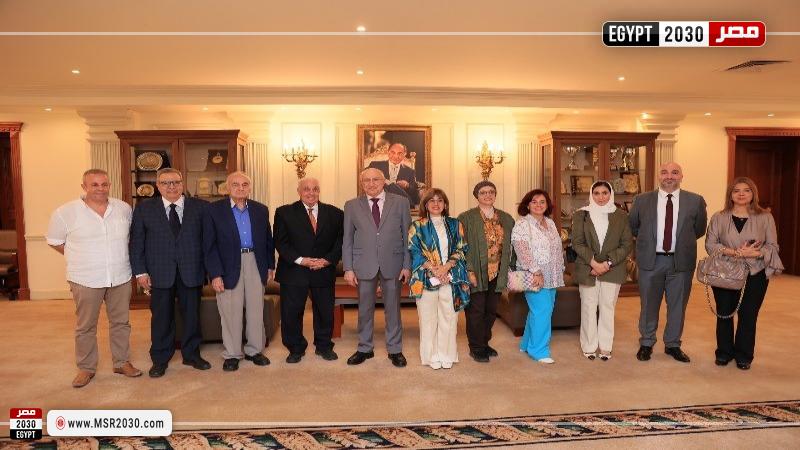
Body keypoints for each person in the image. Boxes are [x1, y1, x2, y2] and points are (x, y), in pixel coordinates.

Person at [46, 169, 142, 388]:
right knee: (86, 326)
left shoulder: (123, 209)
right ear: (84, 187)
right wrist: (78, 256)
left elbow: (130, 238)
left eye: (104, 184)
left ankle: (121, 362)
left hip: (120, 276)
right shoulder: (65, 212)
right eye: (94, 184)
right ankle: (86, 367)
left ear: (109, 185)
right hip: (85, 278)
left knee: (121, 323)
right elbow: (54, 241)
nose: (100, 189)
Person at [129, 168, 211, 378]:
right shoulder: (144, 209)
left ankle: (191, 355)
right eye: (165, 183)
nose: (171, 186)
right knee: (161, 318)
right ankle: (160, 358)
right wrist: (140, 272)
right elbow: (137, 243)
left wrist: (209, 271)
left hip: (191, 270)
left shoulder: (201, 207)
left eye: (175, 182)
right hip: (159, 272)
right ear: (157, 186)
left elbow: (208, 242)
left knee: (192, 316)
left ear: (182, 184)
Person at [629, 162, 707, 363]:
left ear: (681, 176)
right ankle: (647, 342)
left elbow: (698, 229)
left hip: (680, 263)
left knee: (678, 306)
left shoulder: (695, 201)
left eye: (674, 172)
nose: (669, 176)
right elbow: (634, 227)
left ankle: (673, 345)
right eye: (664, 172)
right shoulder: (642, 200)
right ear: (659, 176)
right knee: (648, 304)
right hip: (651, 261)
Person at [705, 177, 783, 370]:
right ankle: (723, 352)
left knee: (748, 314)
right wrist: (734, 252)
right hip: (725, 271)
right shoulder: (719, 217)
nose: (741, 194)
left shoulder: (766, 217)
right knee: (724, 312)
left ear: (753, 193)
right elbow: (710, 244)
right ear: (730, 194)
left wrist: (755, 253)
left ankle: (744, 355)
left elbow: (773, 246)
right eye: (736, 190)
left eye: (746, 190)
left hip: (755, 272)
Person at [203, 171, 275, 372]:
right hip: (227, 265)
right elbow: (209, 246)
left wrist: (270, 265)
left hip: (255, 262)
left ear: (249, 188)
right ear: (227, 188)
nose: (240, 188)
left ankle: (255, 350)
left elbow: (268, 240)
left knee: (256, 309)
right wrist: (215, 274)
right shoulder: (213, 210)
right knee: (230, 311)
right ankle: (233, 353)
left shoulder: (261, 209)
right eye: (235, 184)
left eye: (244, 185)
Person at [342, 167, 412, 368]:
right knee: (364, 309)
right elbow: (347, 238)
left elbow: (408, 236)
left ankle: (395, 349)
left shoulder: (401, 202)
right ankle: (365, 348)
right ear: (361, 183)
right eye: (366, 180)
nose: (371, 184)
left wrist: (407, 265)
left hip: (394, 263)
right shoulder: (351, 205)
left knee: (393, 309)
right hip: (363, 264)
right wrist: (348, 268)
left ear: (384, 182)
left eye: (375, 180)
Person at [273, 178, 343, 363]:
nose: (311, 193)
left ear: (319, 191)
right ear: (299, 191)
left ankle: (324, 346)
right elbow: (280, 242)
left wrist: (327, 260)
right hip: (294, 270)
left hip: (323, 269)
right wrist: (301, 260)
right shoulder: (284, 212)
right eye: (306, 189)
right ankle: (295, 348)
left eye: (315, 189)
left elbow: (340, 242)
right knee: (291, 313)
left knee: (325, 312)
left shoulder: (336, 213)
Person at [570, 181, 633, 361]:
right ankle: (589, 346)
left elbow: (627, 244)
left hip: (613, 268)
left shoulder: (621, 215)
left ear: (610, 194)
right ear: (591, 194)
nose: (600, 197)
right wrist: (594, 263)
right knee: (588, 308)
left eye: (605, 193)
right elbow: (577, 242)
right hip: (587, 268)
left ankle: (606, 346)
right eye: (596, 193)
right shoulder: (581, 214)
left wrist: (607, 263)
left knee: (607, 308)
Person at [408, 188, 471, 369]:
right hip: (426, 276)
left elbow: (461, 248)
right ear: (425, 204)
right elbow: (414, 250)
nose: (436, 204)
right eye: (432, 200)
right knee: (428, 319)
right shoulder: (417, 226)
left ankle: (447, 354)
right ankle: (430, 356)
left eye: (440, 200)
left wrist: (446, 268)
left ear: (445, 204)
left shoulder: (455, 224)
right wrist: (434, 269)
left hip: (451, 276)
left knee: (449, 318)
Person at [457, 181, 515, 363]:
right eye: (483, 192)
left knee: (491, 311)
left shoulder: (506, 218)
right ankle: (475, 347)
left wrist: (511, 270)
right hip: (476, 272)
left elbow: (512, 246)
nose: (488, 195)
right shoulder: (466, 218)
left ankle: (484, 343)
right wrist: (468, 270)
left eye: (491, 192)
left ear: (495, 195)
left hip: (498, 272)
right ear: (477, 195)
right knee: (476, 311)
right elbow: (461, 246)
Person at [511, 189, 565, 364]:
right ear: (527, 205)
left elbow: (557, 249)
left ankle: (526, 343)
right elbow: (522, 250)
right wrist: (536, 271)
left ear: (547, 205)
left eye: (542, 202)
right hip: (534, 275)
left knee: (540, 311)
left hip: (552, 275)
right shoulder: (522, 224)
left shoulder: (550, 223)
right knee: (542, 311)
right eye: (534, 202)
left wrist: (560, 269)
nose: (538, 205)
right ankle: (538, 350)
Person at [368, 142, 420, 206]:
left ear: (404, 154)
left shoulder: (410, 171)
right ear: (388, 152)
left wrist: (407, 186)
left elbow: (415, 195)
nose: (396, 156)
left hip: (399, 204)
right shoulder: (375, 165)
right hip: (379, 202)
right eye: (393, 152)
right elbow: (365, 177)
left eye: (400, 153)